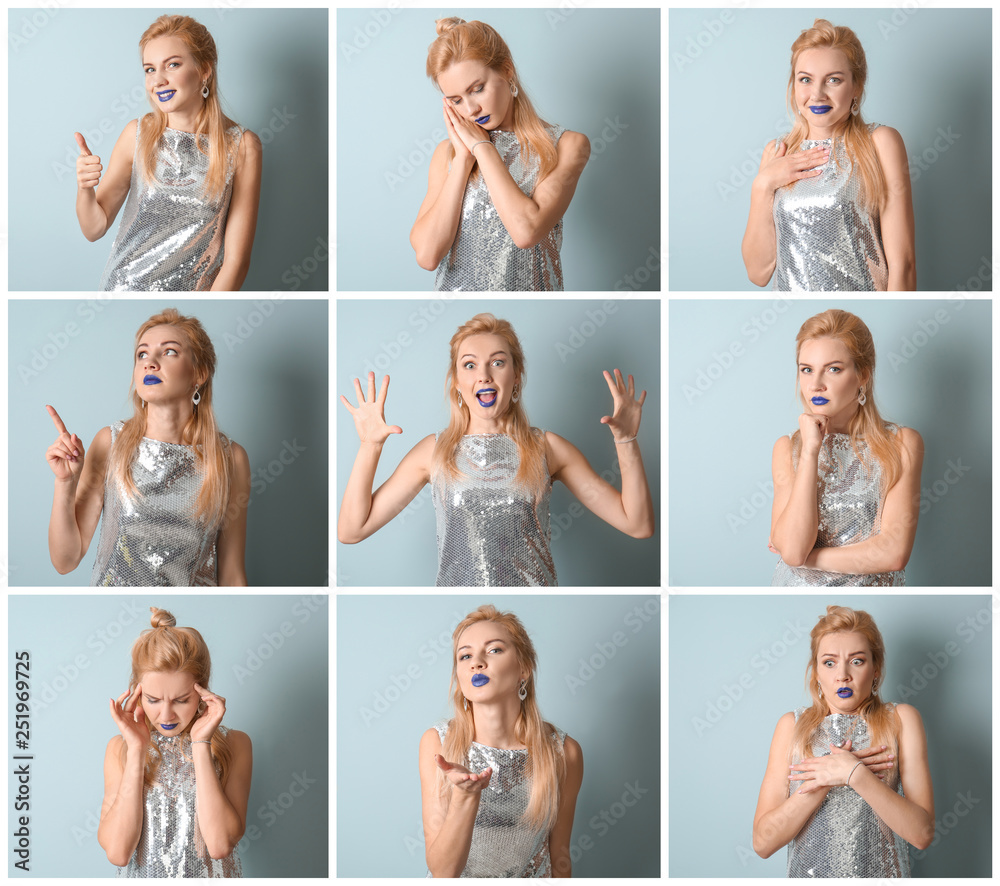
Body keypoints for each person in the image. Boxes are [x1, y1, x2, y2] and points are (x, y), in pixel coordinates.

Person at [338, 313, 654, 585]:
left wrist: (626, 441)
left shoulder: (548, 448)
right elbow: (352, 530)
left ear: (516, 377)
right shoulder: (433, 452)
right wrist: (369, 446)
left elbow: (637, 524)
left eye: (498, 362)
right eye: (470, 365)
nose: (484, 375)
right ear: (457, 383)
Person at [45, 308, 251, 586]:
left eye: (169, 352)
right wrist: (65, 483)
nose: (149, 363)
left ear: (199, 373)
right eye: (142, 354)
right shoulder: (110, 443)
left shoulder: (230, 459)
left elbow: (232, 574)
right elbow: (65, 561)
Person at [75, 14, 262, 291]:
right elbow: (94, 229)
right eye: (149, 69)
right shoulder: (136, 134)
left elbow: (236, 261)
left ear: (204, 70)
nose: (158, 80)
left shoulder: (242, 146)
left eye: (172, 65)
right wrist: (85, 188)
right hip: (123, 288)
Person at [410, 18, 590, 291]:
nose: (470, 109)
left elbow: (526, 231)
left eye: (477, 89)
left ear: (507, 72)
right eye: (456, 100)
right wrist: (463, 160)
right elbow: (427, 255)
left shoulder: (568, 145)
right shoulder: (447, 155)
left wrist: (483, 149)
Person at [752, 605, 934, 876]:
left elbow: (922, 834)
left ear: (876, 669)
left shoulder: (902, 719)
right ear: (816, 673)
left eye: (857, 660)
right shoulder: (791, 726)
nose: (842, 675)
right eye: (829, 662)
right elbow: (763, 844)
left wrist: (855, 774)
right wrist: (824, 777)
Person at [742, 19, 915, 291]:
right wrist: (763, 185)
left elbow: (903, 263)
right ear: (794, 85)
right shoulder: (777, 151)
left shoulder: (880, 142)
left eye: (833, 80)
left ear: (856, 86)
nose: (817, 94)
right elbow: (757, 273)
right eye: (806, 80)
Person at [418, 605, 583, 877]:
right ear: (459, 676)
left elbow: (560, 857)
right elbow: (442, 872)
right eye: (465, 655)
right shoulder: (439, 744)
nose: (476, 662)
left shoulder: (563, 752)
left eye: (494, 650)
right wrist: (465, 796)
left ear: (524, 669)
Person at [769, 309, 922, 586]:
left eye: (833, 369)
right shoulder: (787, 449)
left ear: (862, 375)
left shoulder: (901, 444)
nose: (815, 385)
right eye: (807, 370)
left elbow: (894, 553)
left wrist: (807, 558)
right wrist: (810, 451)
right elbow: (792, 550)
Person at [99, 607, 252, 876]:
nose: (166, 715)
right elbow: (118, 852)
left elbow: (219, 845)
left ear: (202, 691)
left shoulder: (235, 743)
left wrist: (201, 743)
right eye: (153, 700)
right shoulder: (119, 749)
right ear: (137, 692)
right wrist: (136, 749)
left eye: (181, 700)